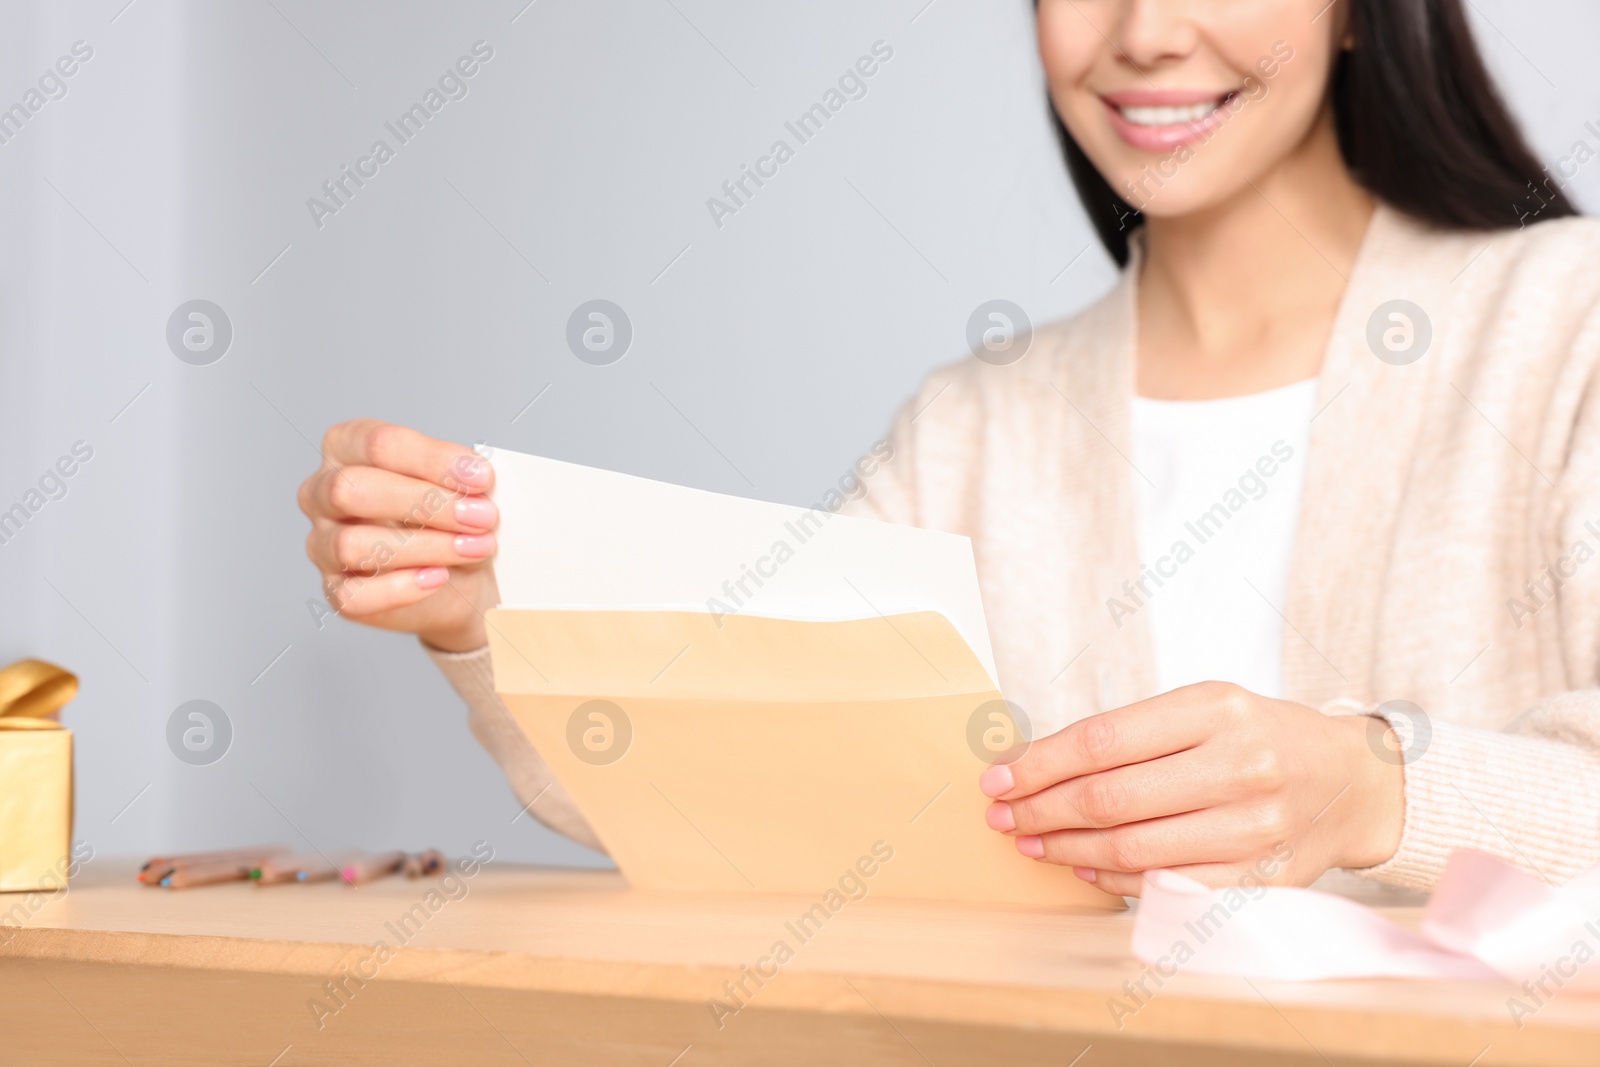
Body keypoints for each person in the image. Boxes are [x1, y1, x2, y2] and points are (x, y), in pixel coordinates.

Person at [298, 0, 1600, 896]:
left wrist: (1375, 791)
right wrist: (484, 617)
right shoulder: (977, 426)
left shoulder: (1568, 325)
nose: (1143, 34)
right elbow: (759, 795)